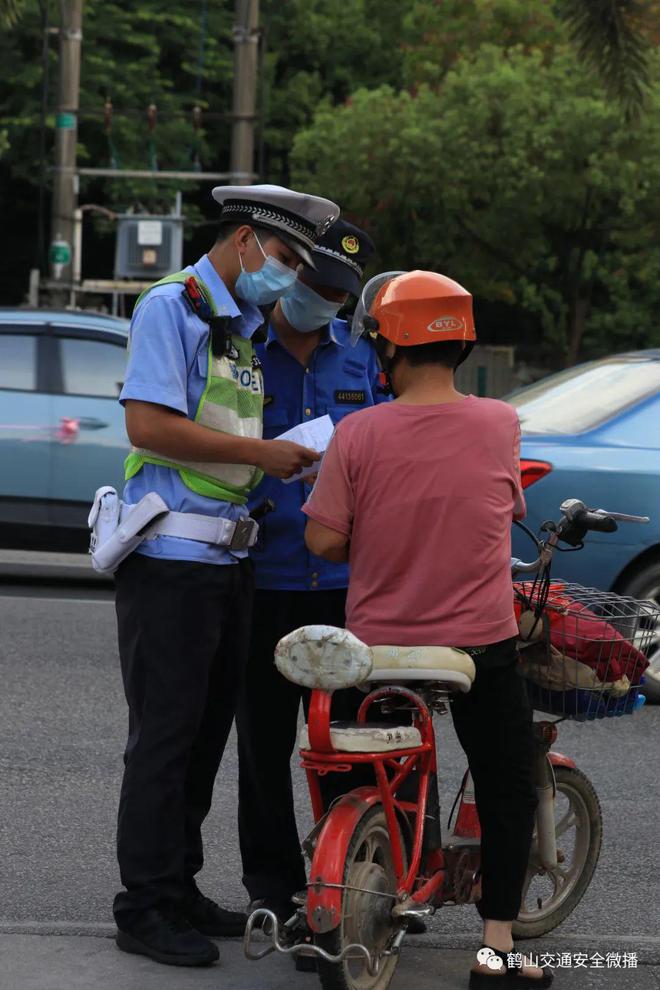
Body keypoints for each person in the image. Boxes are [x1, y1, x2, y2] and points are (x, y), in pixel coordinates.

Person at [302, 271, 552, 988]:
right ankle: (496, 949)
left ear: (389, 350)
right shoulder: (500, 424)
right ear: (461, 342)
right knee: (505, 785)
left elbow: (322, 542)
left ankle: (366, 876)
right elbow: (497, 514)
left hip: (375, 649)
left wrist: (374, 540)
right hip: (476, 646)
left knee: (365, 767)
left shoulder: (357, 433)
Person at [112, 184, 339, 968]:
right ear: (244, 240)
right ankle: (142, 905)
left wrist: (290, 462)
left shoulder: (237, 329)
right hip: (171, 561)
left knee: (204, 740)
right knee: (165, 741)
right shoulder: (168, 308)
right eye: (280, 258)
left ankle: (178, 886)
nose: (284, 279)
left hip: (229, 561)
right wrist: (262, 454)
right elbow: (147, 423)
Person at [236, 220, 386, 927]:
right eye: (313, 285)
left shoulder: (359, 359)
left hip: (348, 586)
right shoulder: (240, 353)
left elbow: (388, 447)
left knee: (354, 745)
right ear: (286, 271)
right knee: (264, 745)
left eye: (335, 293)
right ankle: (273, 889)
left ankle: (354, 880)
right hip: (263, 578)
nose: (321, 300)